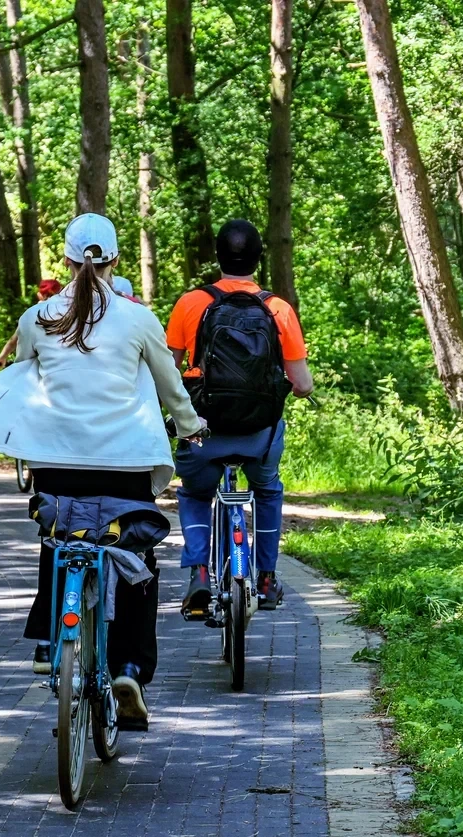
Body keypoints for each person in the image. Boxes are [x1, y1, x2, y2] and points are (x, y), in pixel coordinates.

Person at [0, 213, 205, 727]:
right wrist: (190, 426)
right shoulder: (137, 319)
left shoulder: (38, 316)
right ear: (115, 260)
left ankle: (48, 638)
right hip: (126, 464)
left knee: (59, 535)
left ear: (65, 260)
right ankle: (130, 666)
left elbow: (25, 382)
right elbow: (171, 386)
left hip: (55, 465)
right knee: (134, 553)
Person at [165, 219, 313, 612]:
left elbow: (168, 370)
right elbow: (303, 383)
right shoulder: (278, 308)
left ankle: (198, 571)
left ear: (217, 257)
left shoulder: (190, 303)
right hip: (258, 433)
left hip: (202, 430)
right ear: (258, 258)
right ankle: (265, 577)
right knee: (267, 490)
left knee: (195, 492)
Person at [0, 278, 63, 369]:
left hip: (36, 366)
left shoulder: (31, 314)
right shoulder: (67, 311)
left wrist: (2, 357)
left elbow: (14, 339)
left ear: (40, 295)